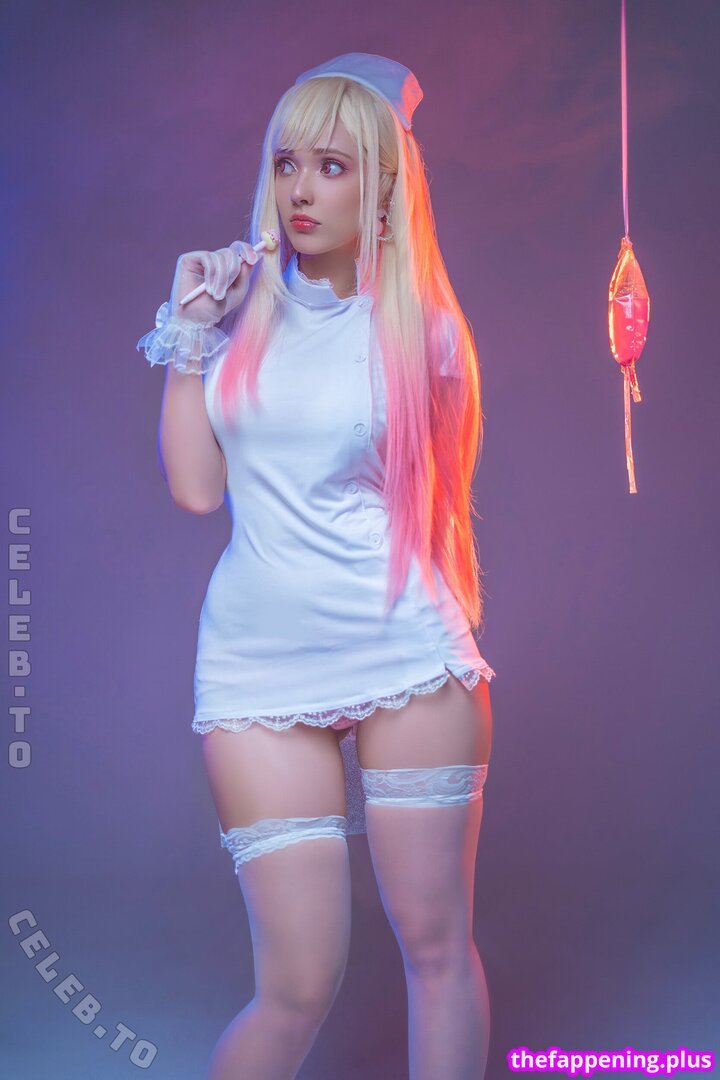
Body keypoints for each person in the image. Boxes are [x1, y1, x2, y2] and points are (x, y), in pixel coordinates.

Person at [137, 52, 496, 1080]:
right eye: (287, 162)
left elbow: (435, 501)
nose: (300, 189)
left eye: (332, 166)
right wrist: (190, 333)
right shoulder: (237, 317)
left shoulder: (425, 333)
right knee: (295, 987)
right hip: (257, 666)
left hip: (404, 653)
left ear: (384, 187)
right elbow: (196, 489)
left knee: (436, 950)